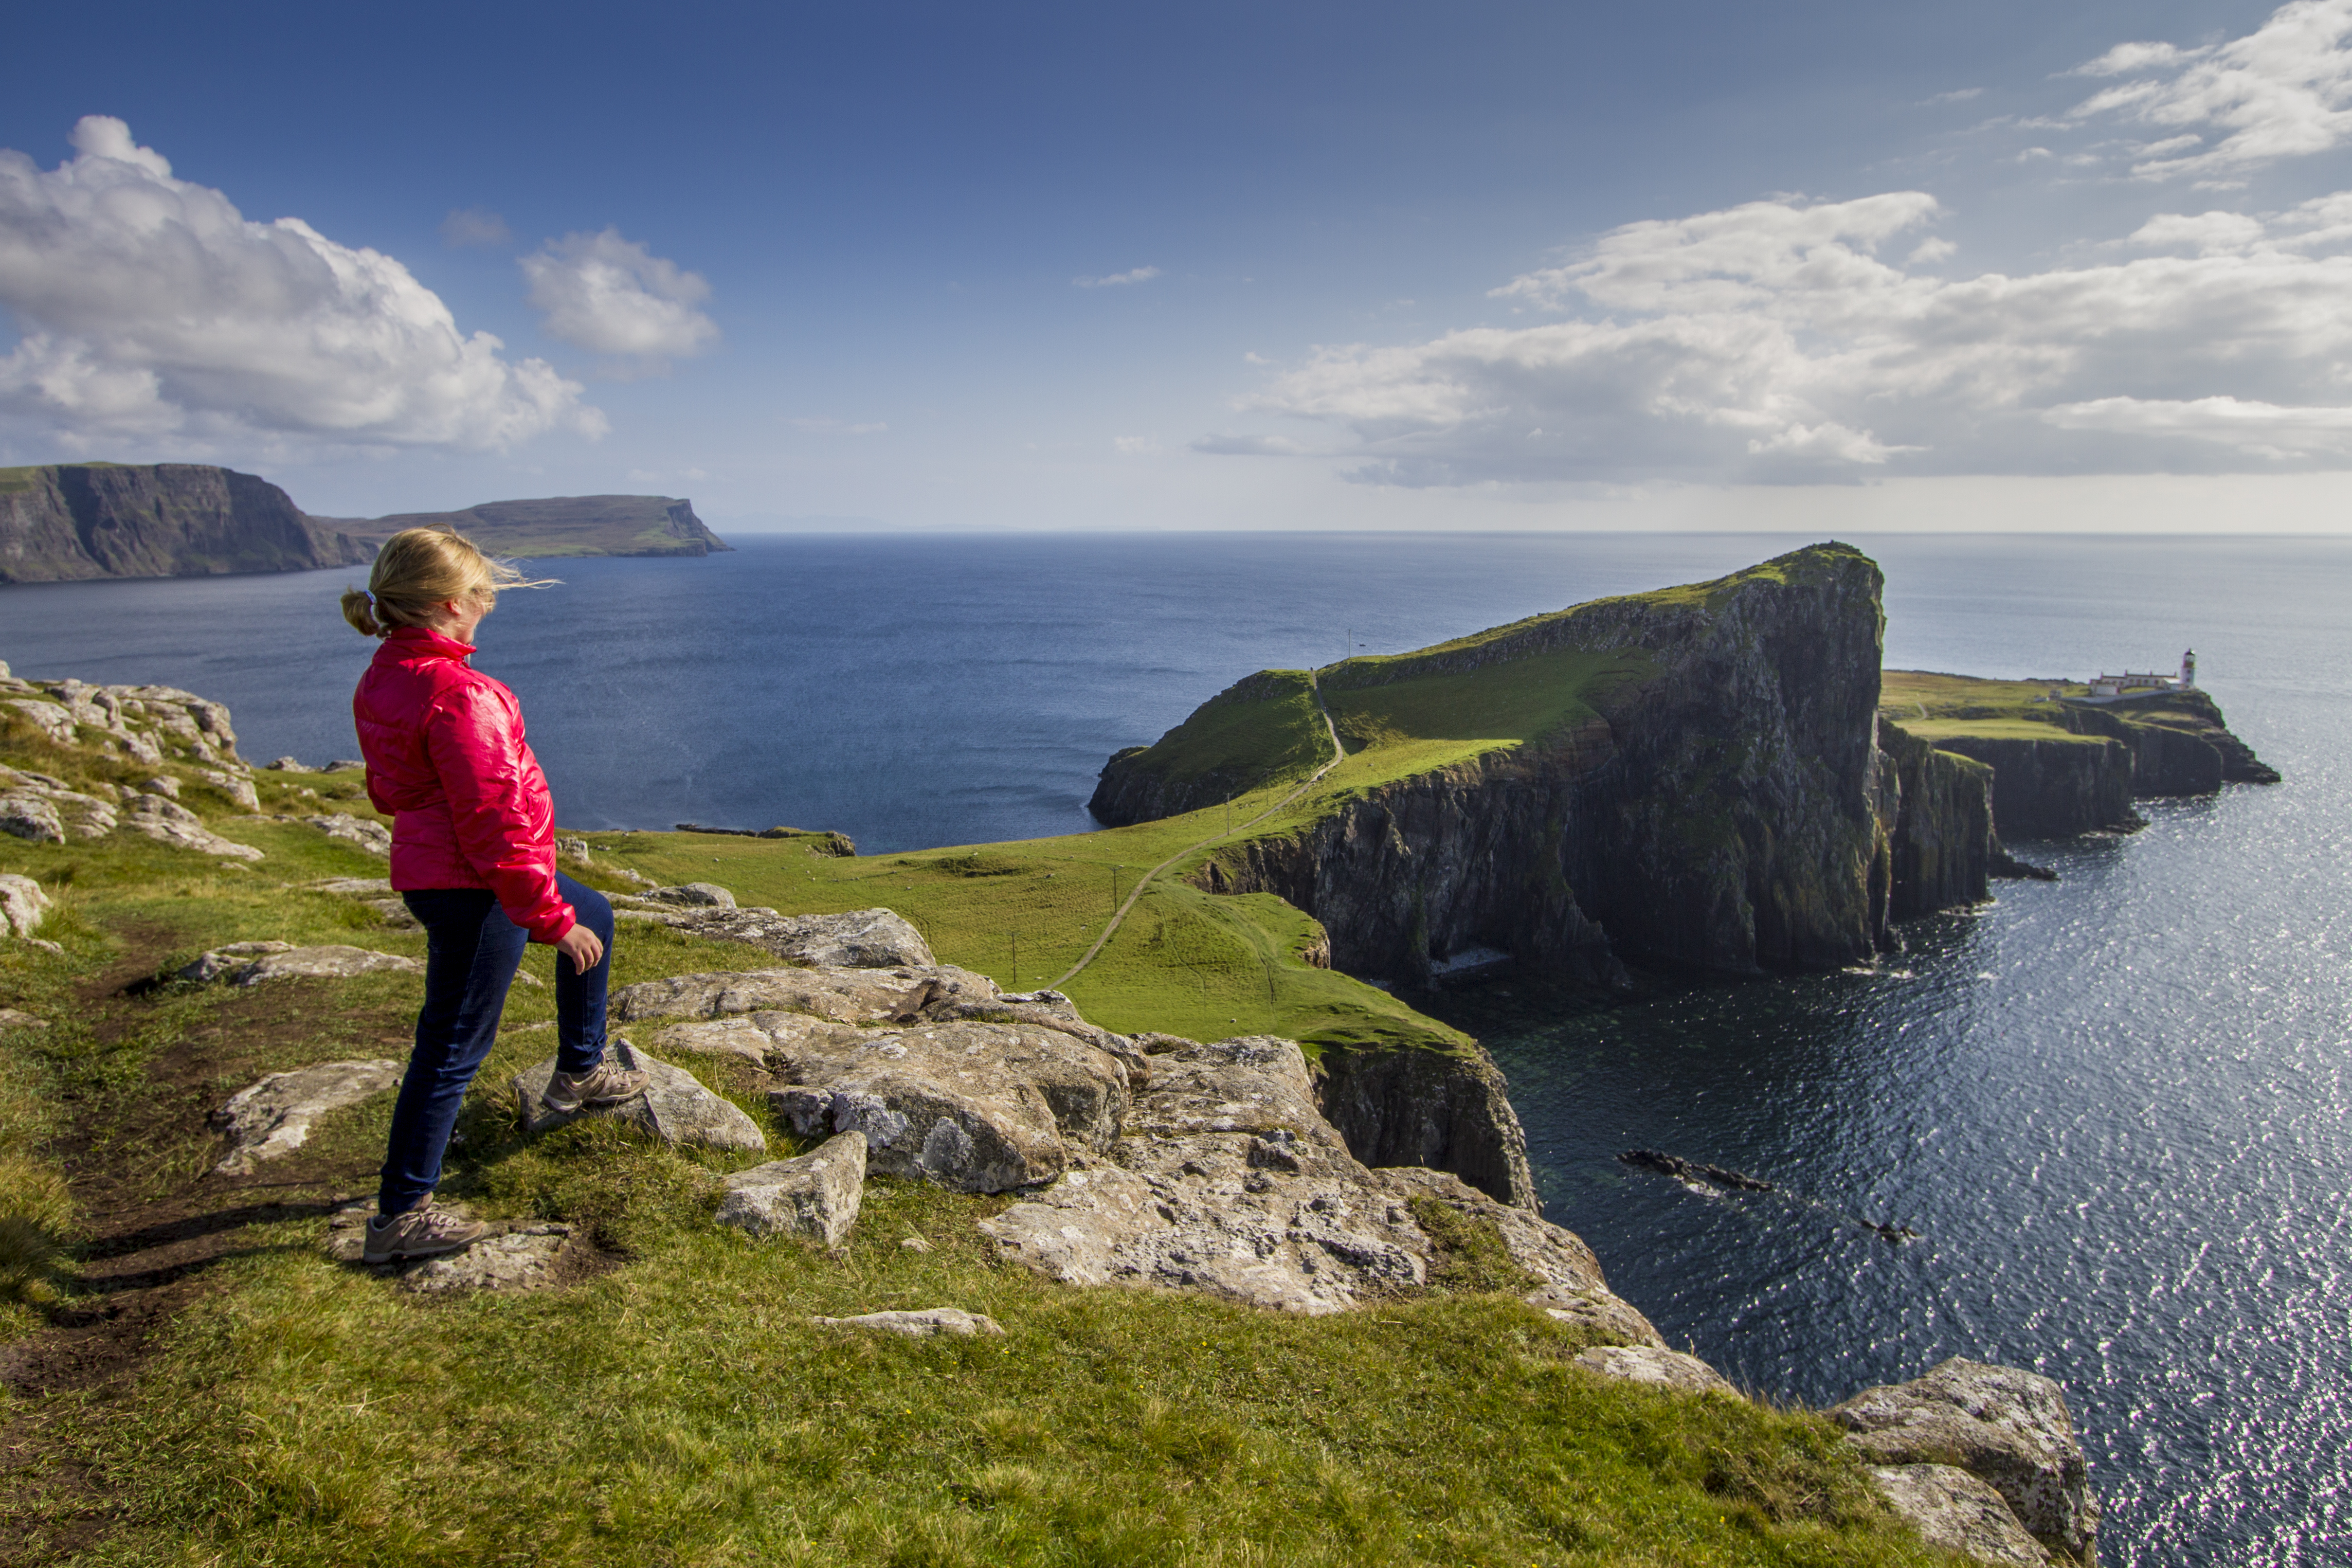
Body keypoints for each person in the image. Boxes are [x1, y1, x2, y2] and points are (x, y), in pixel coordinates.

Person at [340, 527, 646, 1262]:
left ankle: (579, 1071)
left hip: (440, 869)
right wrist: (543, 916)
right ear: (451, 604)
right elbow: (493, 820)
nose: (490, 603)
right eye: (482, 592)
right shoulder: (460, 694)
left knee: (596, 910)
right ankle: (399, 1218)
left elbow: (389, 789)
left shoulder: (390, 671)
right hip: (472, 885)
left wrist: (560, 907)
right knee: (451, 1048)